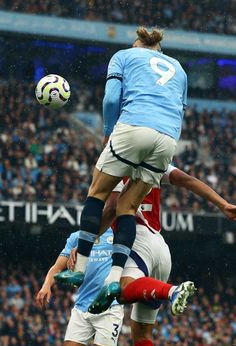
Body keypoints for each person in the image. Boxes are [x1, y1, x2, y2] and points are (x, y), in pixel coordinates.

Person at [63, 165, 236, 346]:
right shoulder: (156, 161)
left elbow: (111, 209)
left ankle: (172, 290)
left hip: (137, 242)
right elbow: (189, 181)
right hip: (161, 248)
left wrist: (87, 242)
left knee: (120, 289)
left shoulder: (118, 164)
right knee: (142, 333)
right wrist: (223, 204)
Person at [73, 26, 188, 300]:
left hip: (134, 125)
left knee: (98, 192)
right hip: (168, 139)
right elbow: (180, 112)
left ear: (137, 46)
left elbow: (112, 98)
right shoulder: (179, 70)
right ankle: (115, 276)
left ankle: (79, 268)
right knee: (128, 205)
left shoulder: (123, 56)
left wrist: (109, 130)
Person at [35, 228, 120, 346]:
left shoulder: (118, 234)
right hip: (82, 306)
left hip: (109, 306)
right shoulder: (77, 237)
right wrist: (46, 286)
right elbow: (56, 267)